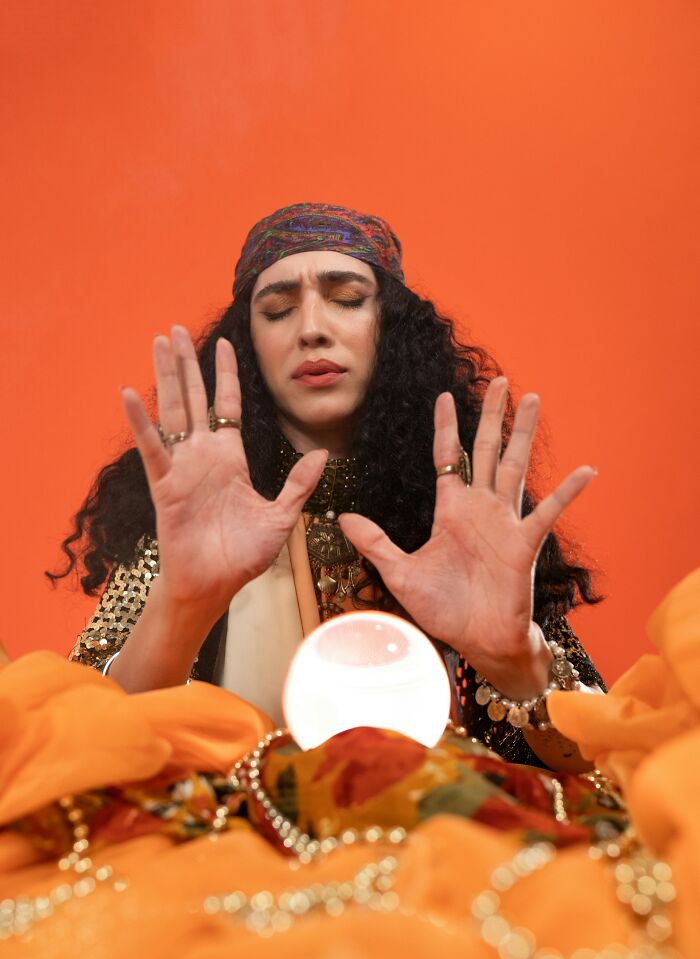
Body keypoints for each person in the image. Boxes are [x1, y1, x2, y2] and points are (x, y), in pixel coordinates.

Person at [52, 202, 604, 771]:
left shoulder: (464, 518)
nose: (312, 329)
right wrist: (183, 607)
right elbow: (78, 755)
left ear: (390, 326)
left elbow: (602, 770)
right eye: (278, 310)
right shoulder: (193, 515)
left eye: (346, 300)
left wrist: (515, 661)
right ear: (249, 345)